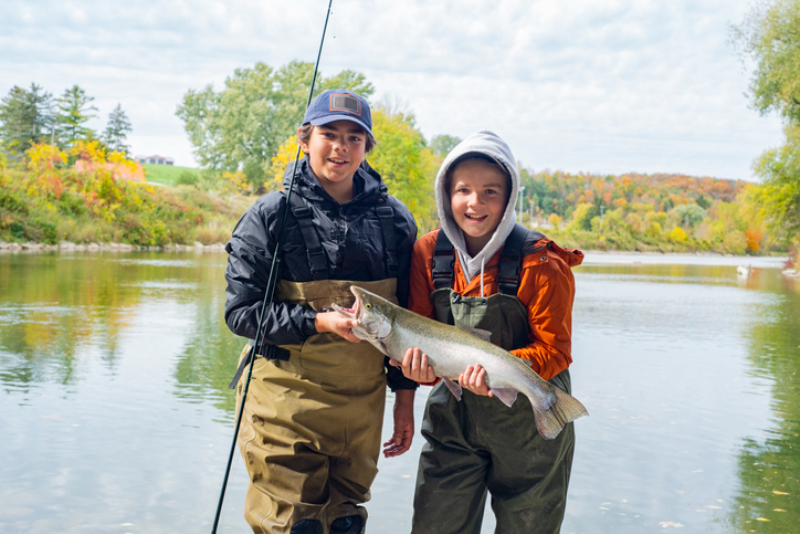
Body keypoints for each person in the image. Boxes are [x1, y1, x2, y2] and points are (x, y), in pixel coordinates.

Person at [224, 89, 419, 534]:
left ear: (367, 148)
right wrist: (317, 322)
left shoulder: (396, 222)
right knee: (296, 526)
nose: (341, 148)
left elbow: (407, 322)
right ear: (304, 138)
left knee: (346, 522)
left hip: (361, 407)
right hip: (282, 402)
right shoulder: (269, 215)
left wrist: (404, 400)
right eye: (329, 134)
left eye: (355, 138)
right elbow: (241, 314)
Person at [394, 130, 583, 533]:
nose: (474, 203)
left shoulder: (544, 263)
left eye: (490, 192)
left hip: (529, 427)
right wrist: (416, 371)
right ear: (446, 193)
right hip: (453, 422)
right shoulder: (427, 252)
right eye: (462, 190)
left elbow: (555, 352)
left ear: (509, 196)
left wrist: (498, 375)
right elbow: (419, 329)